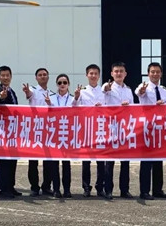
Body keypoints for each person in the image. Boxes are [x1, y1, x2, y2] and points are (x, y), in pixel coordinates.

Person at [135, 62, 166, 200]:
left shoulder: (164, 91)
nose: (155, 74)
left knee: (158, 161)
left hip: (160, 128)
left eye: (157, 72)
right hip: (147, 128)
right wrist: (142, 91)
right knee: (146, 161)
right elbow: (139, 92)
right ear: (148, 73)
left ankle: (157, 189)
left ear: (161, 74)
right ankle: (144, 191)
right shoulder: (143, 87)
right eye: (152, 72)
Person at [102, 62, 134, 199]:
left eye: (121, 71)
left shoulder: (128, 90)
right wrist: (106, 88)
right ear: (112, 73)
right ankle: (108, 190)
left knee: (125, 162)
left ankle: (124, 190)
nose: (119, 73)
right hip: (111, 128)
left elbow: (133, 108)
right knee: (110, 162)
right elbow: (104, 90)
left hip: (125, 129)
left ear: (125, 74)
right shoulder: (108, 87)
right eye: (116, 71)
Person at [22, 67, 55, 196]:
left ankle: (46, 186)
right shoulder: (33, 90)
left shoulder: (52, 94)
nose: (42, 76)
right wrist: (26, 91)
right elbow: (29, 94)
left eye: (45, 74)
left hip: (48, 130)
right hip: (35, 129)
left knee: (49, 161)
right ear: (36, 78)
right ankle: (34, 187)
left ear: (48, 77)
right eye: (40, 75)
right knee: (33, 161)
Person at [48, 74, 81, 198]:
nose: (62, 85)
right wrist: (49, 104)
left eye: (65, 82)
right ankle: (56, 189)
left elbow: (77, 110)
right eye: (60, 83)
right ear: (57, 84)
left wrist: (76, 97)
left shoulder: (73, 98)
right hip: (54, 133)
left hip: (67, 134)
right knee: (54, 164)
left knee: (66, 164)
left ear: (68, 84)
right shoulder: (51, 98)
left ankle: (67, 189)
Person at [78, 64, 108, 198]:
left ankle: (100, 187)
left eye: (96, 73)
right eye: (91, 73)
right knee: (86, 161)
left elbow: (110, 108)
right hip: (87, 128)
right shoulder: (82, 91)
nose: (93, 76)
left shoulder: (104, 91)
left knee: (101, 161)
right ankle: (86, 187)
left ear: (99, 75)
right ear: (86, 75)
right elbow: (75, 108)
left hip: (101, 128)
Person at [0, 65, 20, 199]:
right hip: (3, 131)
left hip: (13, 130)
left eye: (7, 75)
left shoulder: (12, 91)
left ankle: (10, 186)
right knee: (4, 160)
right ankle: (3, 189)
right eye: (3, 75)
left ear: (11, 76)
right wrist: (1, 97)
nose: (5, 78)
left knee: (12, 160)